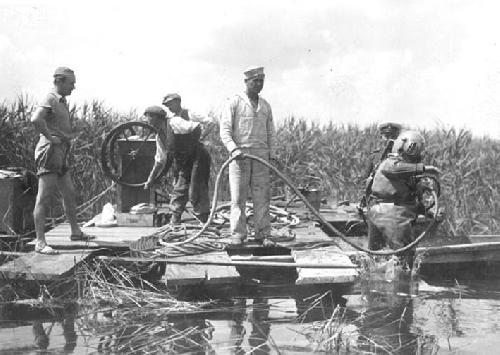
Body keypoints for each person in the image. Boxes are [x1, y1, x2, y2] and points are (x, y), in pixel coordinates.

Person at [31, 67, 94, 255]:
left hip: (61, 151)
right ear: (59, 81)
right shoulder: (50, 98)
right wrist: (50, 137)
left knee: (69, 192)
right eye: (71, 83)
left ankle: (75, 231)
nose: (74, 87)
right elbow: (35, 119)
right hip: (50, 152)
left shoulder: (61, 101)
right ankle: (40, 242)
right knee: (44, 196)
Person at [220, 66, 277, 245]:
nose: (259, 84)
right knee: (238, 197)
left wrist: (272, 155)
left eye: (261, 81)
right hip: (239, 156)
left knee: (262, 197)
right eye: (255, 81)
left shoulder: (265, 105)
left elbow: (271, 133)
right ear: (246, 82)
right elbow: (225, 130)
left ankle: (263, 233)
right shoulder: (234, 102)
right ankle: (238, 233)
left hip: (261, 157)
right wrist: (233, 149)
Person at [366, 130, 440, 268]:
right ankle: (403, 286)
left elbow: (407, 197)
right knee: (403, 259)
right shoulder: (391, 163)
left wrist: (425, 209)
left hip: (378, 211)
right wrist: (425, 169)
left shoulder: (405, 169)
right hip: (393, 215)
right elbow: (395, 170)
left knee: (375, 259)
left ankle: (375, 285)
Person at [144, 94, 212, 224]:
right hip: (184, 162)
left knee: (196, 190)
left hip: (198, 158)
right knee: (180, 189)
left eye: (147, 118)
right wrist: (150, 179)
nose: (146, 121)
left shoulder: (174, 122)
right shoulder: (160, 137)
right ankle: (174, 221)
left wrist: (194, 144)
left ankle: (203, 221)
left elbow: (196, 128)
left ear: (155, 117)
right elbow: (159, 161)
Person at [360, 121, 402, 208]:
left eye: (393, 137)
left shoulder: (404, 157)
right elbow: (365, 179)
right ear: (381, 137)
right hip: (376, 202)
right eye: (386, 136)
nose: (390, 140)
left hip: (398, 202)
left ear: (398, 138)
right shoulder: (374, 156)